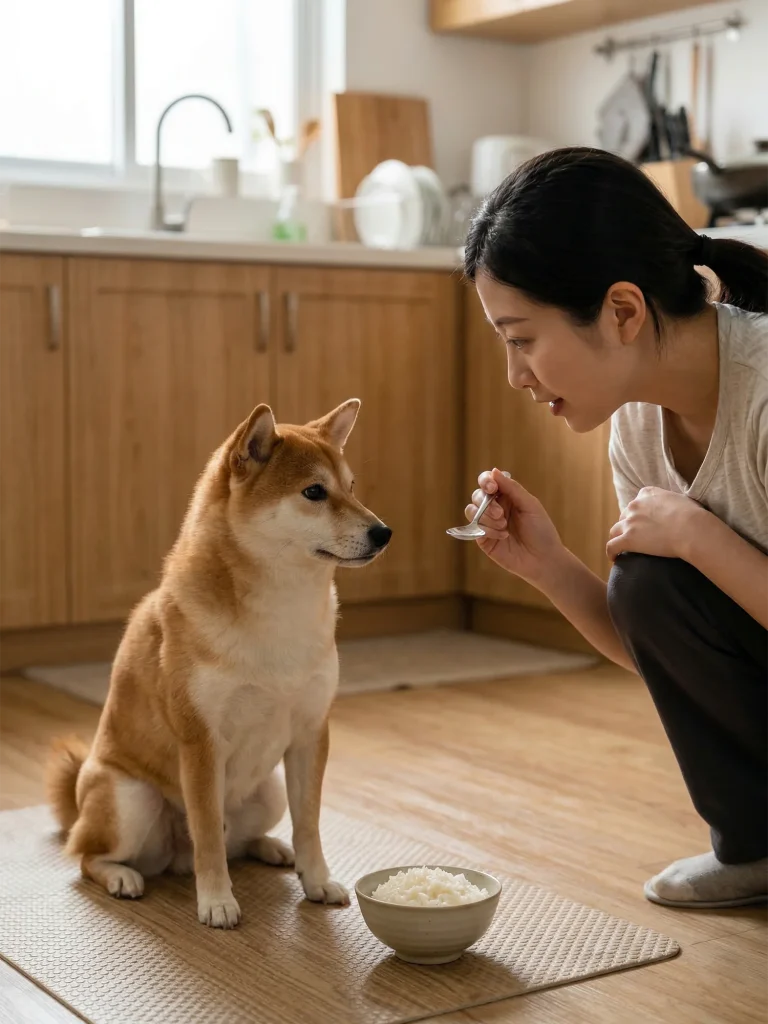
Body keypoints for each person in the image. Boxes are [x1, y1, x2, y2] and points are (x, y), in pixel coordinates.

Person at [463, 146, 768, 909]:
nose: (515, 375)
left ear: (623, 311)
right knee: (647, 581)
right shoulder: (635, 427)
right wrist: (549, 565)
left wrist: (699, 536)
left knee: (664, 559)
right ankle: (758, 848)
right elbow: (671, 655)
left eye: (522, 338)